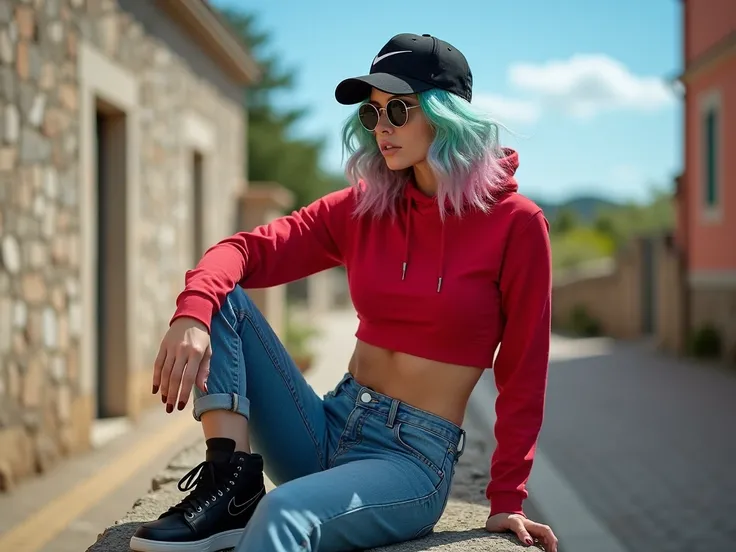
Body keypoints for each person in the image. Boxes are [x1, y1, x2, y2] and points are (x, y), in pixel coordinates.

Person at [130, 32, 558, 552]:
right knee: (223, 300)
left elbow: (524, 367)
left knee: (284, 514)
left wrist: (507, 497)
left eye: (397, 111)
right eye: (371, 114)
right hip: (329, 424)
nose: (380, 128)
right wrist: (192, 314)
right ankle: (229, 485)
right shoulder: (364, 208)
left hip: (411, 460)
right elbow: (243, 250)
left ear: (444, 115)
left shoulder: (516, 224)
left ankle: (251, 507)